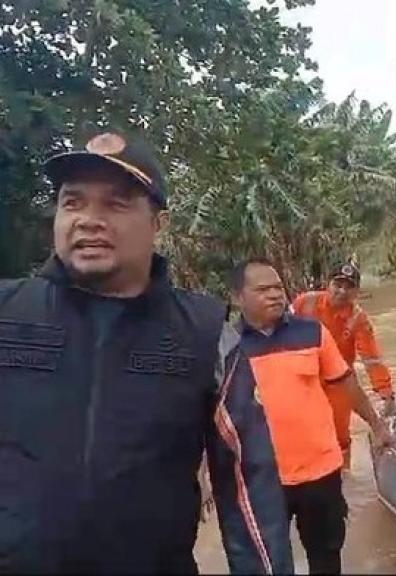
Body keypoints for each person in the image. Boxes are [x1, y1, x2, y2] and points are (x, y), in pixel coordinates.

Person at [0, 131, 291, 574]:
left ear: (160, 223)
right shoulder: (7, 312)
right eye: (72, 202)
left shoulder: (208, 336)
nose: (88, 220)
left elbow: (247, 489)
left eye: (116, 203)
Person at [230, 258, 396, 575]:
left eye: (278, 287)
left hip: (320, 460)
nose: (275, 295)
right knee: (267, 559)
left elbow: (360, 369)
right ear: (238, 296)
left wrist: (380, 415)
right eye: (263, 289)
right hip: (262, 476)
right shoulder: (227, 346)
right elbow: (212, 411)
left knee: (326, 554)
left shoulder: (326, 328)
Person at [292, 262, 396, 470]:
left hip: (338, 382)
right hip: (302, 377)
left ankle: (344, 480)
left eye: (349, 286)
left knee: (340, 437)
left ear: (356, 292)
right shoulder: (305, 303)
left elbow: (371, 357)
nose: (342, 291)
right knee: (299, 434)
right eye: (337, 284)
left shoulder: (358, 319)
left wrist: (385, 391)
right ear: (327, 284)